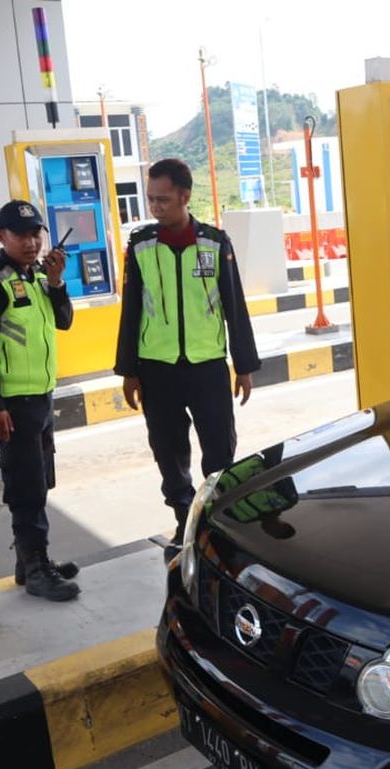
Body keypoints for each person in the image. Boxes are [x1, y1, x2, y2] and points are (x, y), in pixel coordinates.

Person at [115, 159, 260, 545]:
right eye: (150, 200)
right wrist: (129, 370)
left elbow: (234, 305)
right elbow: (131, 310)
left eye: (163, 199)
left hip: (207, 367)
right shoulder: (141, 245)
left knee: (219, 450)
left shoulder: (215, 242)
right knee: (168, 451)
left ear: (185, 196)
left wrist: (244, 366)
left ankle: (214, 522)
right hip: (156, 369)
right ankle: (184, 522)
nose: (155, 207)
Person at [0, 200, 80, 602]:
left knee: (40, 480)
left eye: (36, 234)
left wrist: (57, 281)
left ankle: (29, 561)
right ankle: (37, 569)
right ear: (1, 237)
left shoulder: (36, 276)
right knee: (25, 488)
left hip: (41, 398)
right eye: (20, 235)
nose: (31, 242)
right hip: (13, 405)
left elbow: (64, 320)